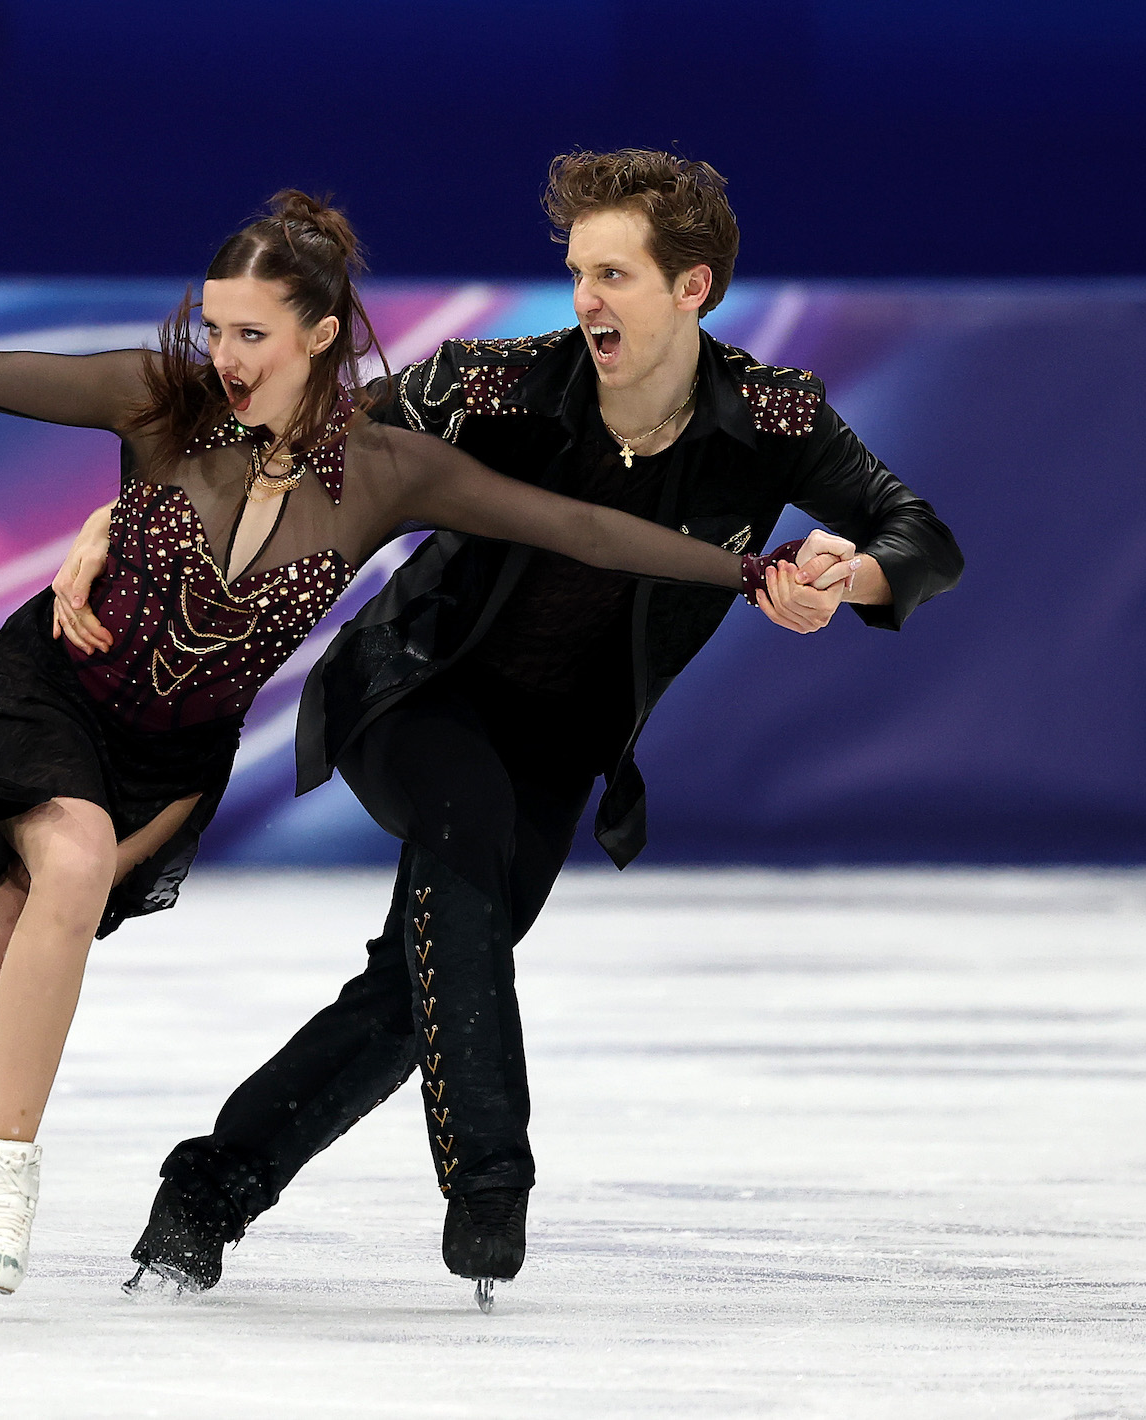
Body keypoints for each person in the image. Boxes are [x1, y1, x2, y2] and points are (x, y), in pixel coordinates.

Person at [0, 191, 851, 1320]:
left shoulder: (387, 472)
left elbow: (583, 527)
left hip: (169, 760)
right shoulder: (163, 403)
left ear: (319, 335)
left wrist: (749, 570)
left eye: (251, 333)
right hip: (55, 698)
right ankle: (7, 1173)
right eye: (213, 327)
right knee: (72, 861)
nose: (224, 355)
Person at [47, 151, 962, 1310]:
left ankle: (207, 1191)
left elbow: (917, 528)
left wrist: (853, 575)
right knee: (461, 846)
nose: (586, 298)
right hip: (413, 693)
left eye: (615, 274)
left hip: (560, 751)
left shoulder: (771, 417)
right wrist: (116, 518)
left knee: (413, 990)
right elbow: (285, 444)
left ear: (693, 288)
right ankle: (491, 1178)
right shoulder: (493, 383)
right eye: (578, 270)